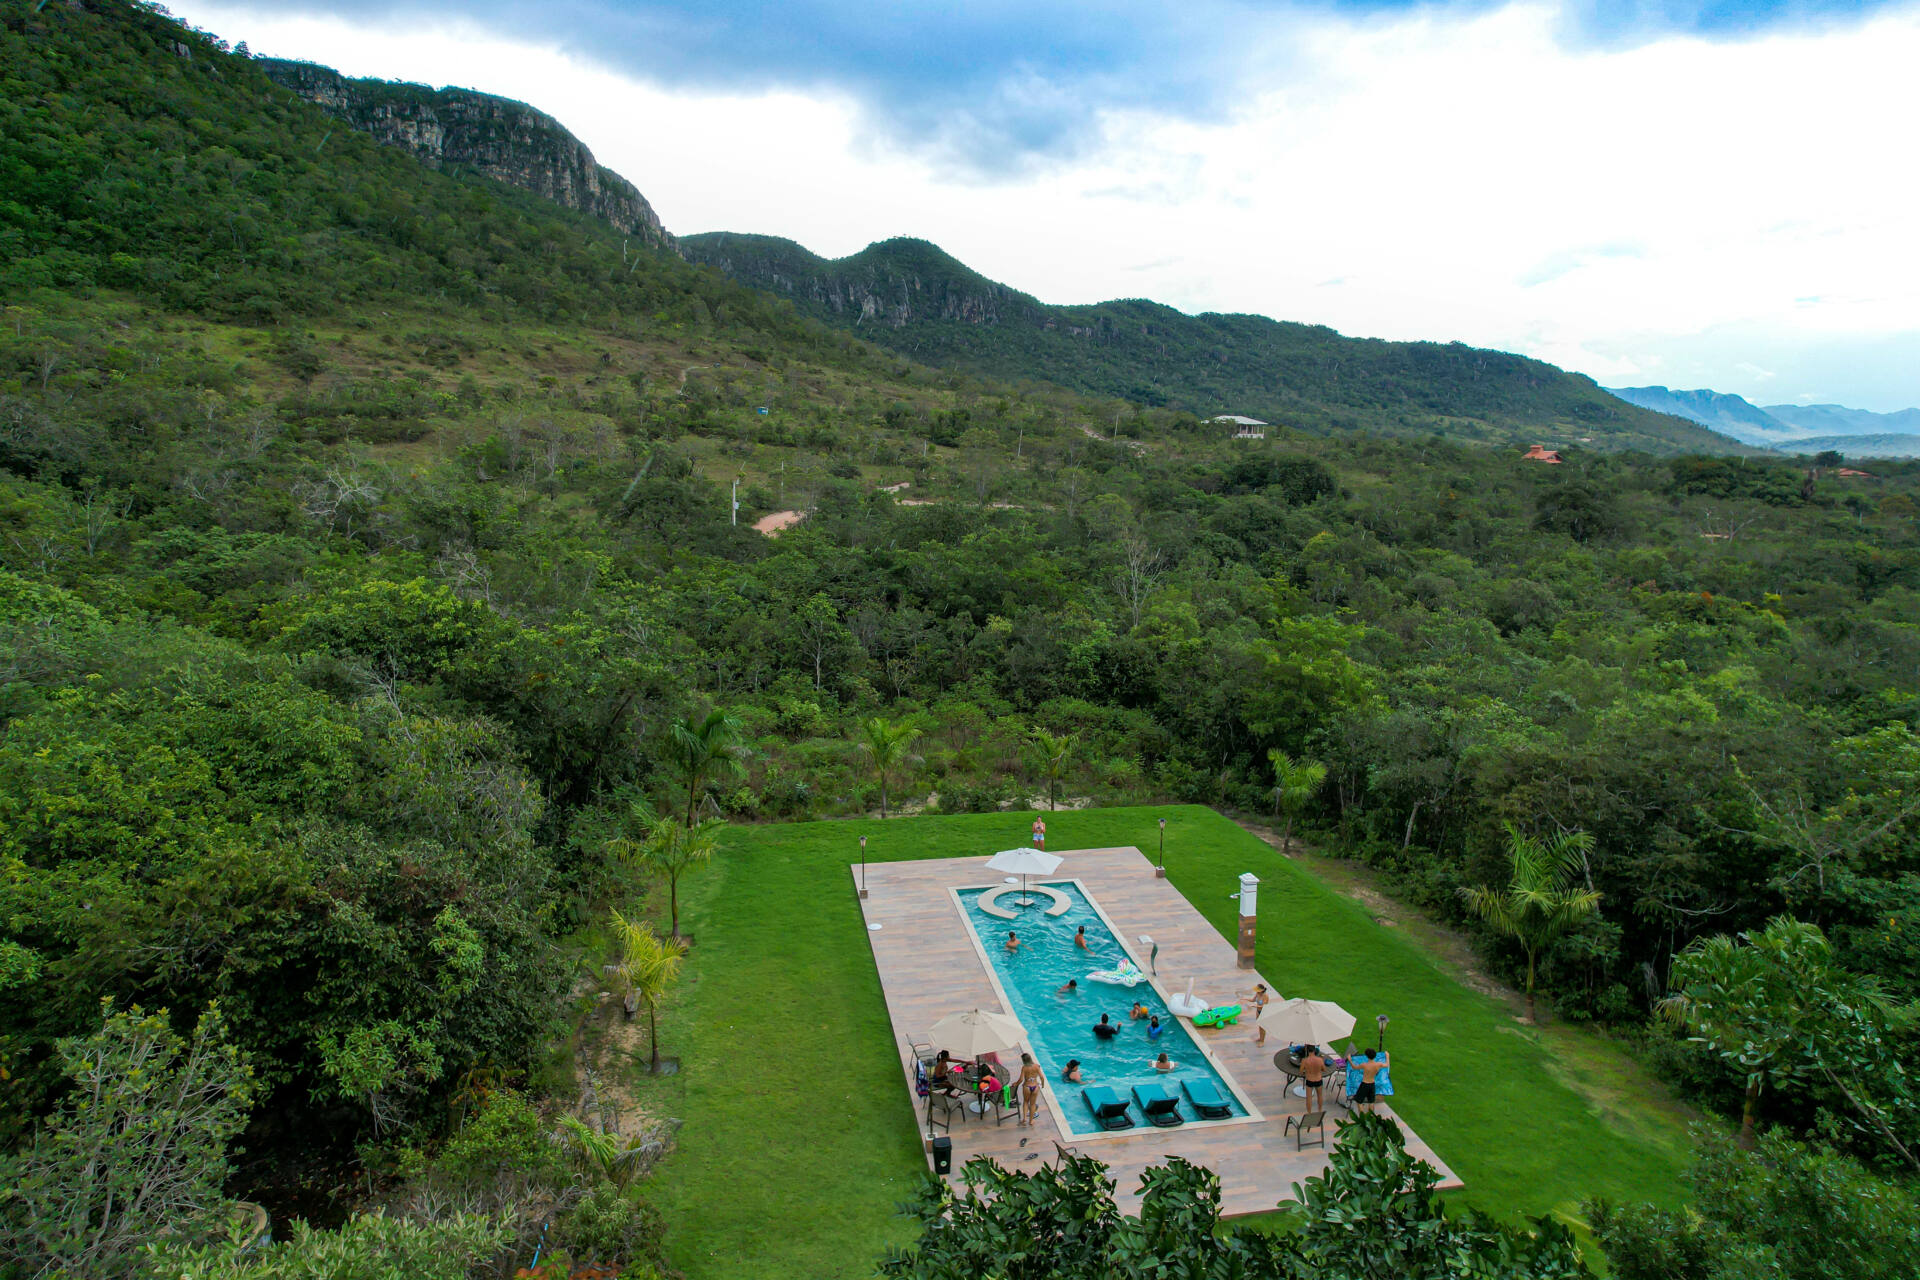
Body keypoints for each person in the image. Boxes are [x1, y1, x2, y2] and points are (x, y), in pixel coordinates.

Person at [1355, 1049, 1388, 1113]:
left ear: (1367, 1056)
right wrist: (1387, 1056)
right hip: (1372, 1085)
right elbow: (1387, 1065)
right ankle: (1370, 1117)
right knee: (1371, 1102)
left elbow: (1354, 1067)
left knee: (1359, 1101)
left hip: (1364, 1084)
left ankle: (1362, 1118)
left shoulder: (1364, 1065)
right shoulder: (1378, 1064)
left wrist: (1350, 1060)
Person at [1018, 1051, 1045, 1126]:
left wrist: (1016, 1084)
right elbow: (1042, 1077)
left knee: (1026, 1102)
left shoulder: (1024, 1068)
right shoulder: (1037, 1066)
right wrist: (1042, 1085)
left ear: (1024, 1060)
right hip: (1035, 1087)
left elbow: (1021, 1079)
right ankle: (1031, 1121)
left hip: (1027, 1087)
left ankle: (1024, 1119)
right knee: (1033, 1104)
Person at [1299, 1043, 1326, 1112]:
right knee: (1320, 1096)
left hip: (1309, 1080)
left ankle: (1309, 1113)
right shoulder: (1320, 1059)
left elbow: (1301, 1072)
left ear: (1307, 1051)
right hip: (1318, 1079)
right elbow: (1324, 1070)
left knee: (1309, 1098)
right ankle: (1319, 1111)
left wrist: (1306, 1071)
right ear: (1314, 1050)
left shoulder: (1304, 1060)